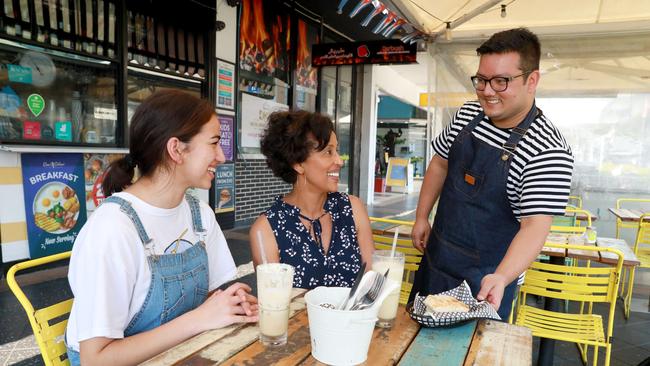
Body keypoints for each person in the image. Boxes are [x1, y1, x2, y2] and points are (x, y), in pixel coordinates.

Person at [65, 91, 258, 365]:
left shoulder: (199, 215)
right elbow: (96, 359)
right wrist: (200, 318)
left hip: (180, 352)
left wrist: (230, 304)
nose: (222, 157)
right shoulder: (113, 229)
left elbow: (210, 299)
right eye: (214, 143)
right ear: (176, 149)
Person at [409, 28, 574, 319]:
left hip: (486, 281)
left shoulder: (548, 150)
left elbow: (535, 226)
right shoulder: (467, 115)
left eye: (501, 81)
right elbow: (440, 163)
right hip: (437, 259)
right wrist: (422, 215)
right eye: (482, 80)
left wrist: (502, 277)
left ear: (532, 80)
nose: (487, 91)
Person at [250, 110, 374, 288]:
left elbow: (371, 281)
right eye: (328, 152)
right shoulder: (266, 228)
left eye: (336, 150)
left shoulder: (353, 208)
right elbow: (274, 302)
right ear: (298, 163)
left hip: (356, 316)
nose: (339, 161)